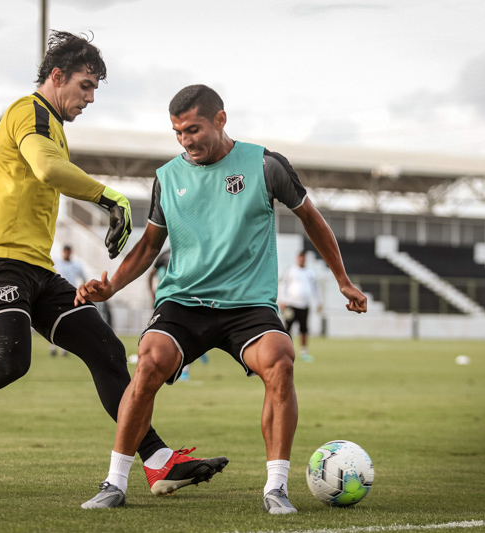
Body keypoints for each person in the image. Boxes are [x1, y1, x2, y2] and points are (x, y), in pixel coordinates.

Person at [0, 32, 227, 499]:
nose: (90, 97)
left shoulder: (53, 125)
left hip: (37, 270)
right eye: (86, 85)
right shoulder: (28, 112)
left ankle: (157, 461)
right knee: (8, 361)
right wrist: (109, 196)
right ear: (57, 77)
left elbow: (51, 169)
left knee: (108, 351)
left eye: (95, 88)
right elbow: (47, 169)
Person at [76, 84, 367, 513]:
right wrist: (112, 286)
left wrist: (342, 279)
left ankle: (276, 489)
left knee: (281, 360)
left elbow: (312, 217)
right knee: (150, 359)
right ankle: (114, 483)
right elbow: (148, 246)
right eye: (177, 133)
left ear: (220, 119)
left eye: (193, 129)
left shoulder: (266, 165)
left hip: (248, 305)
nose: (186, 141)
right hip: (184, 302)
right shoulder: (167, 177)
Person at [147, 249, 208, 381]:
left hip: (186, 299)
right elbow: (151, 274)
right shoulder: (164, 256)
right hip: (167, 299)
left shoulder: (191, 253)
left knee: (188, 334)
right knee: (159, 335)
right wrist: (152, 294)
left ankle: (184, 370)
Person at [278, 251, 322, 362]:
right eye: (300, 258)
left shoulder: (310, 273)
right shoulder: (290, 270)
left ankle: (304, 352)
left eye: (303, 258)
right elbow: (283, 285)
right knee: (287, 329)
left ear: (305, 259)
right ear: (297, 258)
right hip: (291, 304)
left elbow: (316, 288)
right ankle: (284, 350)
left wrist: (318, 302)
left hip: (304, 305)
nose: (301, 260)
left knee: (304, 330)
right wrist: (282, 300)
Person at [50, 244, 86, 356]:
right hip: (57, 294)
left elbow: (83, 278)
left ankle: (64, 349)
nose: (67, 253)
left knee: (67, 322)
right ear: (63, 252)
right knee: (53, 321)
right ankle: (52, 347)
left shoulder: (76, 265)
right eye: (65, 251)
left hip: (71, 295)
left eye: (68, 251)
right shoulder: (57, 263)